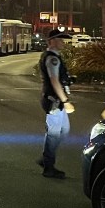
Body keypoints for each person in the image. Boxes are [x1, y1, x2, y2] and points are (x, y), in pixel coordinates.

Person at [37, 28, 74, 178]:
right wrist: (65, 101)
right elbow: (54, 80)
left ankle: (46, 158)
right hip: (54, 101)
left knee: (64, 130)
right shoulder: (52, 58)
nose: (62, 42)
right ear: (51, 42)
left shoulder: (54, 57)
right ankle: (48, 167)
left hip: (56, 100)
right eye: (59, 39)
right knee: (53, 134)